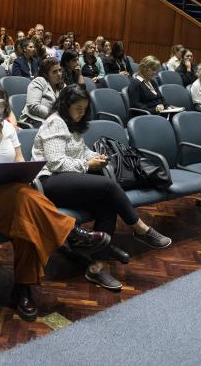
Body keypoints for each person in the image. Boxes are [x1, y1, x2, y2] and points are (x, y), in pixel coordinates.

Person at [0, 85, 109, 321]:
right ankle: (69, 234)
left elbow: (18, 160)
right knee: (24, 199)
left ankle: (23, 290)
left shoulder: (7, 128)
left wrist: (24, 172)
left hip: (9, 194)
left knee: (25, 218)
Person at [32, 85, 172, 290]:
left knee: (108, 204)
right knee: (107, 185)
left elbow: (80, 151)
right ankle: (140, 228)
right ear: (65, 105)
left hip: (70, 181)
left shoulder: (72, 124)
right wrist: (87, 165)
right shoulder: (55, 123)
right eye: (78, 108)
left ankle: (97, 267)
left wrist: (94, 157)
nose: (81, 113)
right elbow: (56, 163)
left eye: (84, 108)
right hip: (49, 182)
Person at [21, 57, 64, 127]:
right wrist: (55, 115)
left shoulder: (62, 86)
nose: (59, 74)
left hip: (56, 120)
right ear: (46, 74)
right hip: (34, 119)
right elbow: (33, 106)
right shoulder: (39, 81)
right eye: (54, 72)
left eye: (60, 70)